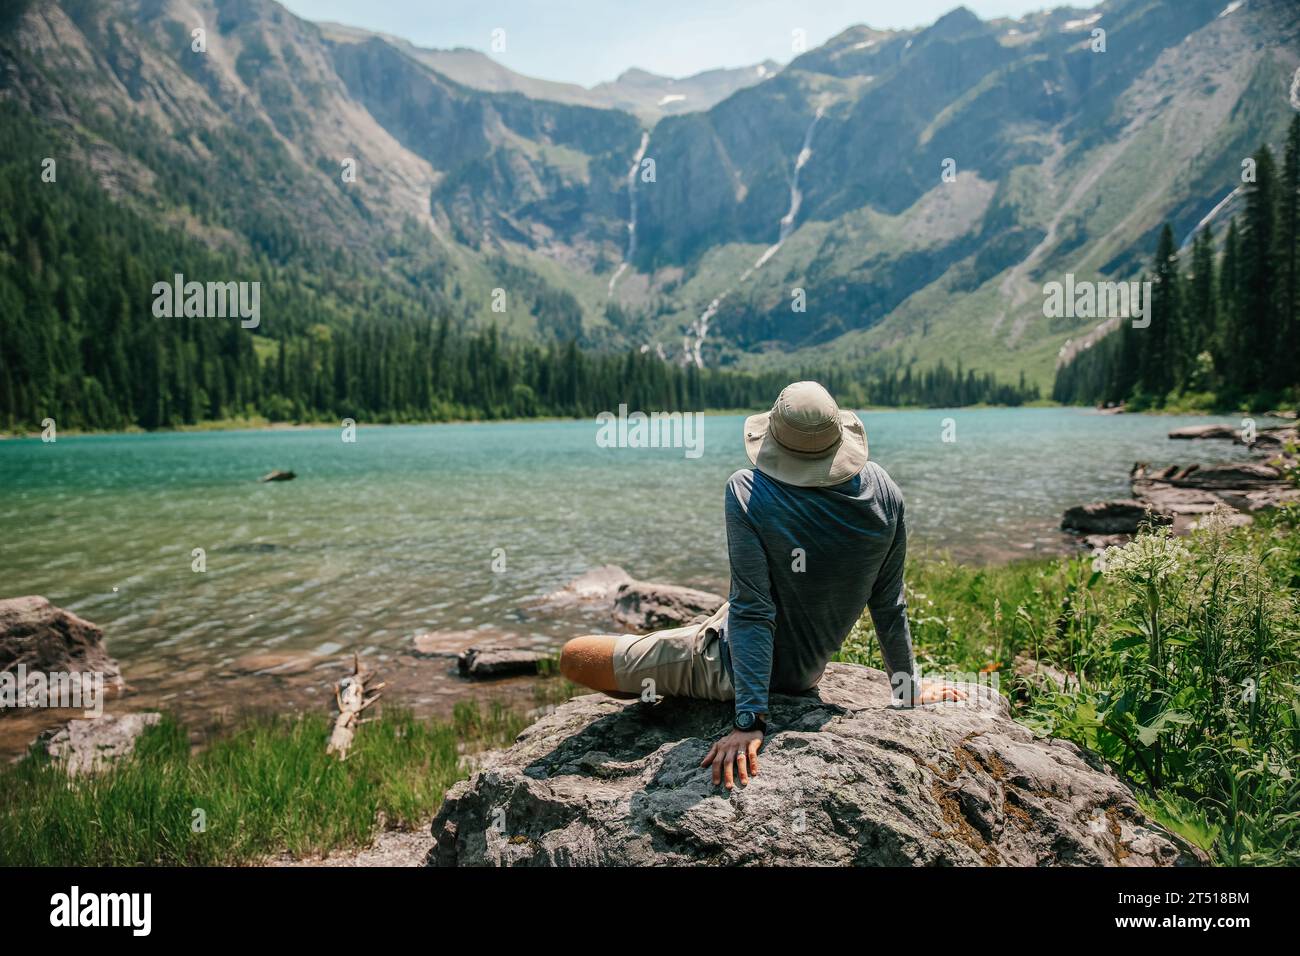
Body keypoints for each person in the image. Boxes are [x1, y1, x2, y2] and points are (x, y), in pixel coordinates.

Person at [560, 381, 964, 790]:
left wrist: (750, 720)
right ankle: (663, 669)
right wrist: (907, 688)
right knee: (703, 626)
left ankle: (663, 674)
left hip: (731, 667)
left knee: (575, 656)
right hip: (802, 672)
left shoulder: (748, 490)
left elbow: (755, 609)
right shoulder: (885, 492)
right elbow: (888, 604)